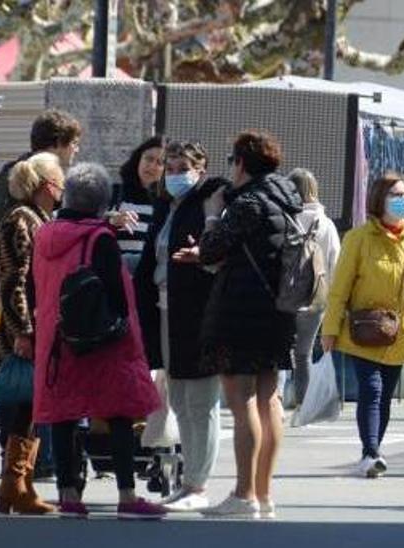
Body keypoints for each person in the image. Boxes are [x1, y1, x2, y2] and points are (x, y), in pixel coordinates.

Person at [31, 163, 165, 520]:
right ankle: (126, 495)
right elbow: (120, 297)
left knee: (63, 416)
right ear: (103, 202)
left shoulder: (44, 235)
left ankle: (69, 494)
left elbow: (35, 289)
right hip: (100, 341)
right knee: (118, 413)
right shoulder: (100, 238)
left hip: (56, 338)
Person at [188, 131, 303, 519]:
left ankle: (243, 494)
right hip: (279, 311)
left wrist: (212, 212)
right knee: (269, 400)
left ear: (240, 163)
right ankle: (264, 494)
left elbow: (210, 249)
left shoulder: (248, 202)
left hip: (241, 311)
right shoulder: (288, 200)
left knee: (242, 401)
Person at [322, 172, 404, 478]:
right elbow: (340, 288)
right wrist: (330, 328)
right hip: (363, 332)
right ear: (379, 200)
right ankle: (371, 452)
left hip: (399, 334)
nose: (402, 201)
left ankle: (373, 448)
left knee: (385, 394)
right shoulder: (358, 238)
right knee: (372, 390)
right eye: (395, 195)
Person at [132, 140, 223, 513]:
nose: (173, 174)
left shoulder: (209, 201)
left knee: (201, 401)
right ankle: (188, 483)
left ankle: (198, 484)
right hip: (167, 311)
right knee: (181, 400)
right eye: (169, 168)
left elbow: (217, 254)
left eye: (181, 167)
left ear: (200, 168)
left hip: (197, 313)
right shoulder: (167, 207)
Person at [0, 152, 64, 516]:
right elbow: (13, 281)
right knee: (23, 404)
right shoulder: (22, 220)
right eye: (58, 178)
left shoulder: (40, 218)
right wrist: (24, 331)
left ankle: (18, 485)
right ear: (43, 185)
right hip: (24, 329)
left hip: (38, 326)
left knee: (31, 407)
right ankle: (14, 484)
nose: (62, 185)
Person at [0, 109, 81, 301]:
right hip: (15, 291)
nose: (76, 149)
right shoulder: (14, 175)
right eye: (74, 143)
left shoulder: (55, 177)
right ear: (59, 143)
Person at [286, 168, 342, 405]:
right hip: (316, 298)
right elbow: (335, 262)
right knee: (303, 353)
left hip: (285, 294)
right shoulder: (326, 224)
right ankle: (302, 402)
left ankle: (276, 397)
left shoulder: (286, 218)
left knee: (280, 349)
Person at [115, 136, 165, 270]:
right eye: (149, 159)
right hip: (115, 276)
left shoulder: (166, 203)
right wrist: (111, 220)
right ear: (138, 158)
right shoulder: (114, 193)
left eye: (160, 162)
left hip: (147, 279)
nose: (152, 166)